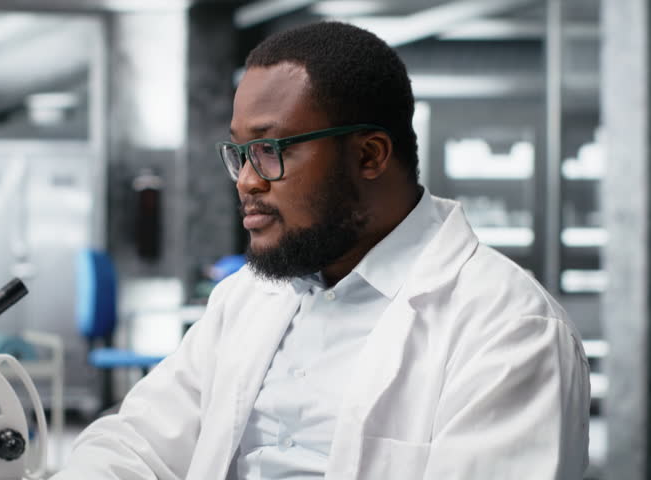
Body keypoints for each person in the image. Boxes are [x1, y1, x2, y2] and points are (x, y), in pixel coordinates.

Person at [52, 21, 589, 479]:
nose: (245, 181)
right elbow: (135, 444)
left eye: (268, 149)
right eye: (239, 153)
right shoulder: (247, 298)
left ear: (370, 155)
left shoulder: (510, 331)